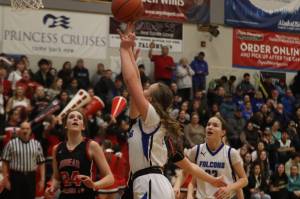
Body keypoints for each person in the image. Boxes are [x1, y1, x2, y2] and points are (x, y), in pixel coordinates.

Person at [119, 23, 226, 199]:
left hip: (151, 183)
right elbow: (134, 81)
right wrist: (129, 53)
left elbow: (132, 83)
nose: (144, 87)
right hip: (141, 182)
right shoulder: (139, 121)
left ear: (152, 100)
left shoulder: (152, 118)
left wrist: (124, 50)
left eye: (148, 88)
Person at [44, 110, 114, 199]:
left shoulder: (92, 145)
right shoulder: (56, 149)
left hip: (86, 196)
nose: (75, 119)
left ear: (83, 126)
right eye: (71, 117)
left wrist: (94, 184)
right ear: (65, 125)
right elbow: (57, 178)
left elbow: (110, 178)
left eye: (79, 118)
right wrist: (52, 187)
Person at [175, 115, 248, 199]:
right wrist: (177, 186)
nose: (210, 127)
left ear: (223, 132)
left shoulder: (231, 153)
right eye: (208, 124)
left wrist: (229, 188)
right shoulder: (196, 150)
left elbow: (244, 179)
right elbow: (184, 172)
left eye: (215, 125)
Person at [1, 121, 45, 199]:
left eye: (27, 129)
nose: (25, 131)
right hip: (16, 177)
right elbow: (4, 162)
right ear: (19, 130)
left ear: (30, 130)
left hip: (30, 177)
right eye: (23, 128)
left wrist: (42, 179)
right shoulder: (11, 144)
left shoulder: (36, 144)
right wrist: (5, 179)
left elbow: (41, 163)